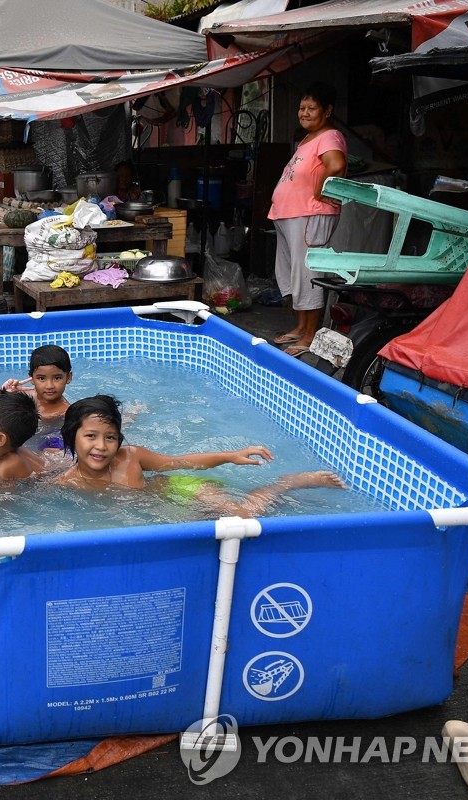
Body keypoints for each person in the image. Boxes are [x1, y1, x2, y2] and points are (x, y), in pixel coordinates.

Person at [54, 395, 344, 516]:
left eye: (111, 438)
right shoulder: (67, 483)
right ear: (72, 437)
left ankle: (285, 483)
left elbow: (182, 462)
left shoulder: (130, 457)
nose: (101, 446)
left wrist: (231, 455)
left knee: (243, 516)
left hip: (182, 490)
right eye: (91, 436)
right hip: (163, 510)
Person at [268, 82, 348, 356]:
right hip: (292, 215)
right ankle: (301, 328)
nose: (304, 113)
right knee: (294, 274)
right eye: (302, 108)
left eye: (311, 108)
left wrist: (319, 190)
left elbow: (336, 165)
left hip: (309, 214)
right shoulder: (308, 139)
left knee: (307, 273)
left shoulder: (330, 136)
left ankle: (311, 335)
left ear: (327, 111)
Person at [0, 389, 44, 485]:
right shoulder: (17, 445)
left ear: (0, 439)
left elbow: (6, 499)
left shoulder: (3, 470)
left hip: (44, 486)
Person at [1, 344, 73, 422]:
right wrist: (2, 392)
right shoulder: (24, 396)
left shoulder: (66, 413)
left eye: (57, 378)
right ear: (32, 378)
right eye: (41, 378)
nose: (49, 386)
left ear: (68, 377)